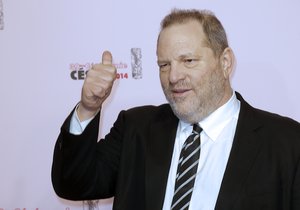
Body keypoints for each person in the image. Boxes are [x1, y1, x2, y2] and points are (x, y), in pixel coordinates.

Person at [52, 9, 300, 210]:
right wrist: (88, 108)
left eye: (188, 61)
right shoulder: (136, 128)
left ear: (225, 62)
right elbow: (74, 183)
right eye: (164, 64)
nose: (173, 76)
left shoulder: (287, 143)